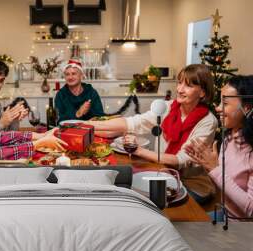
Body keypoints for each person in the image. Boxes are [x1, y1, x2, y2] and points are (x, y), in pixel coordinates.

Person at [88, 64, 219, 201]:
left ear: (202, 92)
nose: (180, 89)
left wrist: (138, 150)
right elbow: (133, 122)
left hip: (191, 184)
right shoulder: (167, 107)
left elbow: (180, 160)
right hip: (161, 171)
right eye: (179, 83)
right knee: (126, 188)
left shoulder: (208, 121)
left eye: (188, 86)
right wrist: (88, 124)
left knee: (142, 197)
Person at [185, 75, 253, 219]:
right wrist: (206, 164)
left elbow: (250, 209)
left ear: (246, 108)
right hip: (225, 215)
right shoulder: (229, 138)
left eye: (225, 103)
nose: (217, 108)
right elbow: (224, 185)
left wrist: (215, 169)